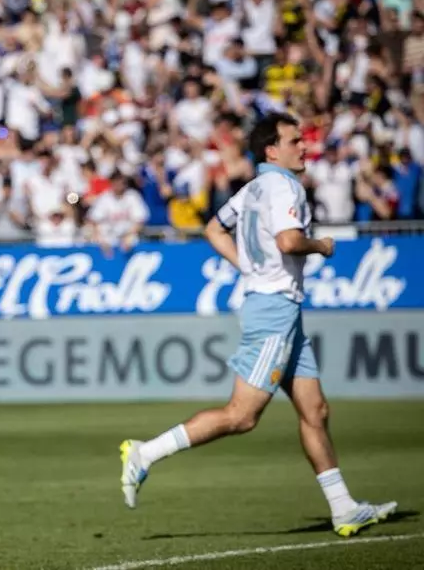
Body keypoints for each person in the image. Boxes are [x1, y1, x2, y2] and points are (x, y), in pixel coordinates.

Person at [119, 114, 397, 537]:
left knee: (315, 411)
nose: (303, 146)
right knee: (242, 416)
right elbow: (288, 241)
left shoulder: (252, 188)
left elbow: (214, 228)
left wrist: (247, 268)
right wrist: (321, 246)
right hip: (274, 310)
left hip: (280, 308)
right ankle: (145, 453)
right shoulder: (284, 186)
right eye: (294, 140)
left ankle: (344, 508)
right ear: (272, 150)